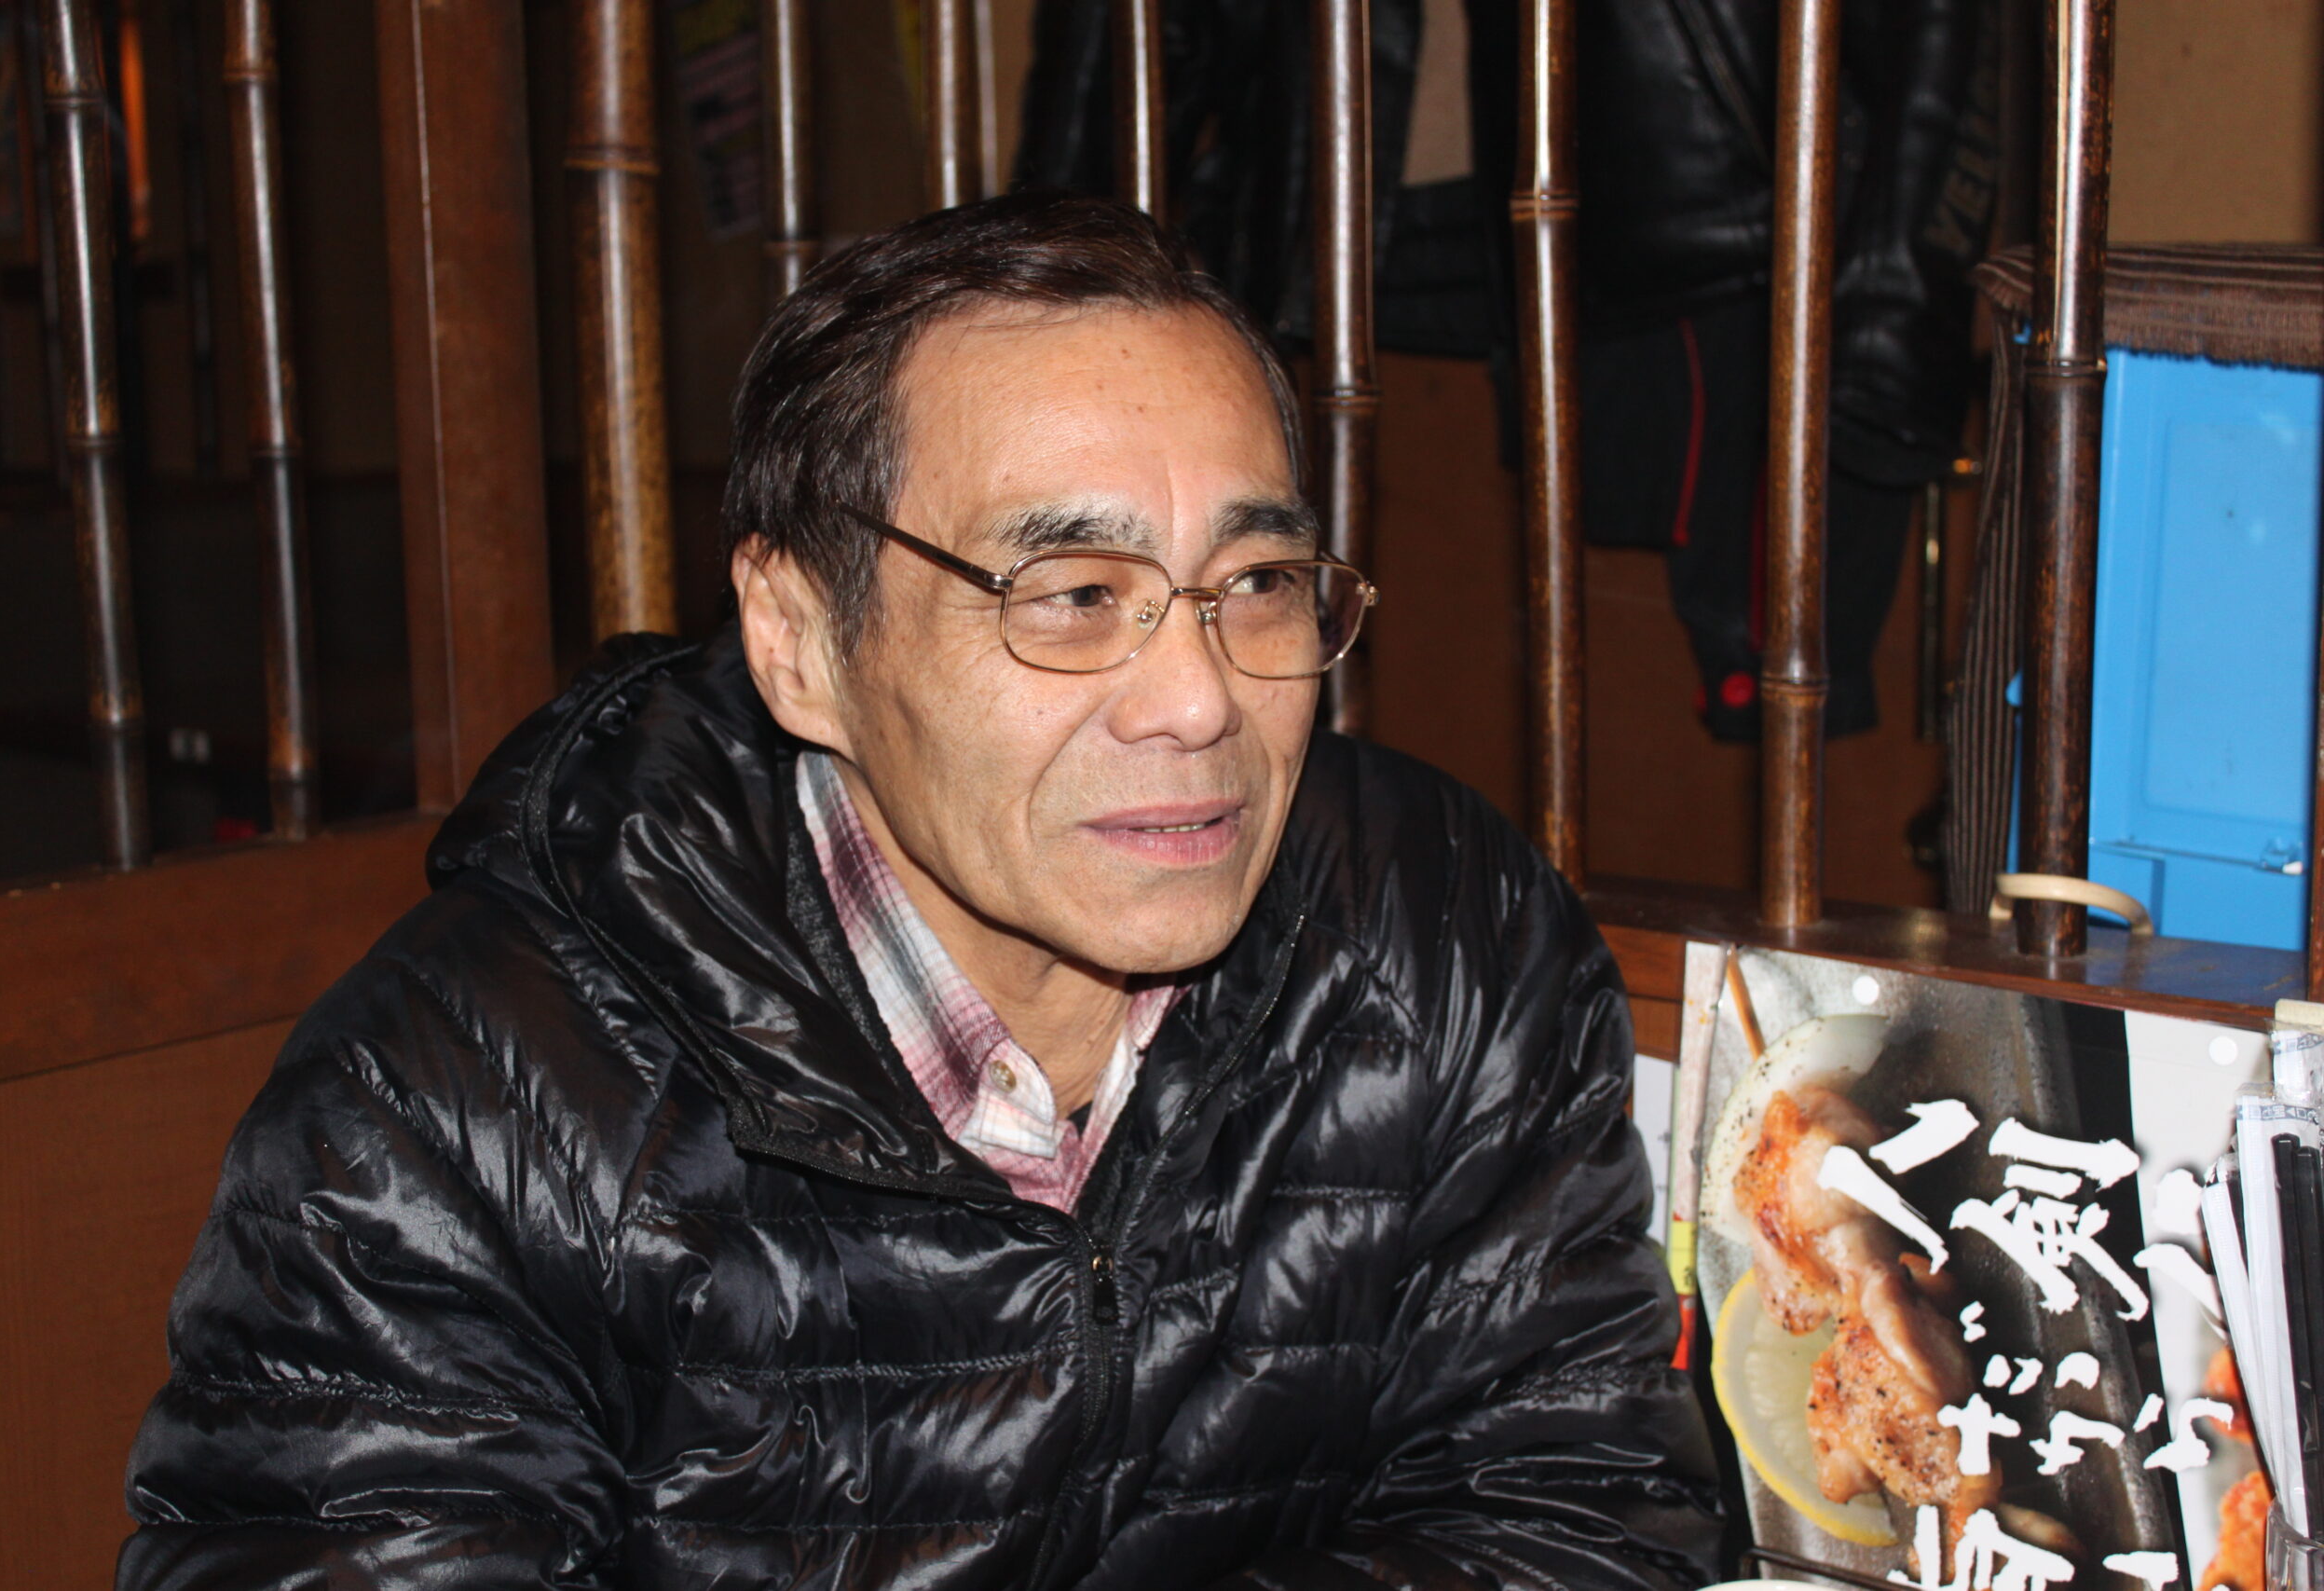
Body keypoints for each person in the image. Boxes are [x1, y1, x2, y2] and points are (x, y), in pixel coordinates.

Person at [117, 192, 1722, 1590]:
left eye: (1253, 583)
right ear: (801, 641)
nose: (1199, 701)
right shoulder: (465, 1108)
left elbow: (1583, 1509)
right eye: (1072, 595)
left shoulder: (1445, 934)